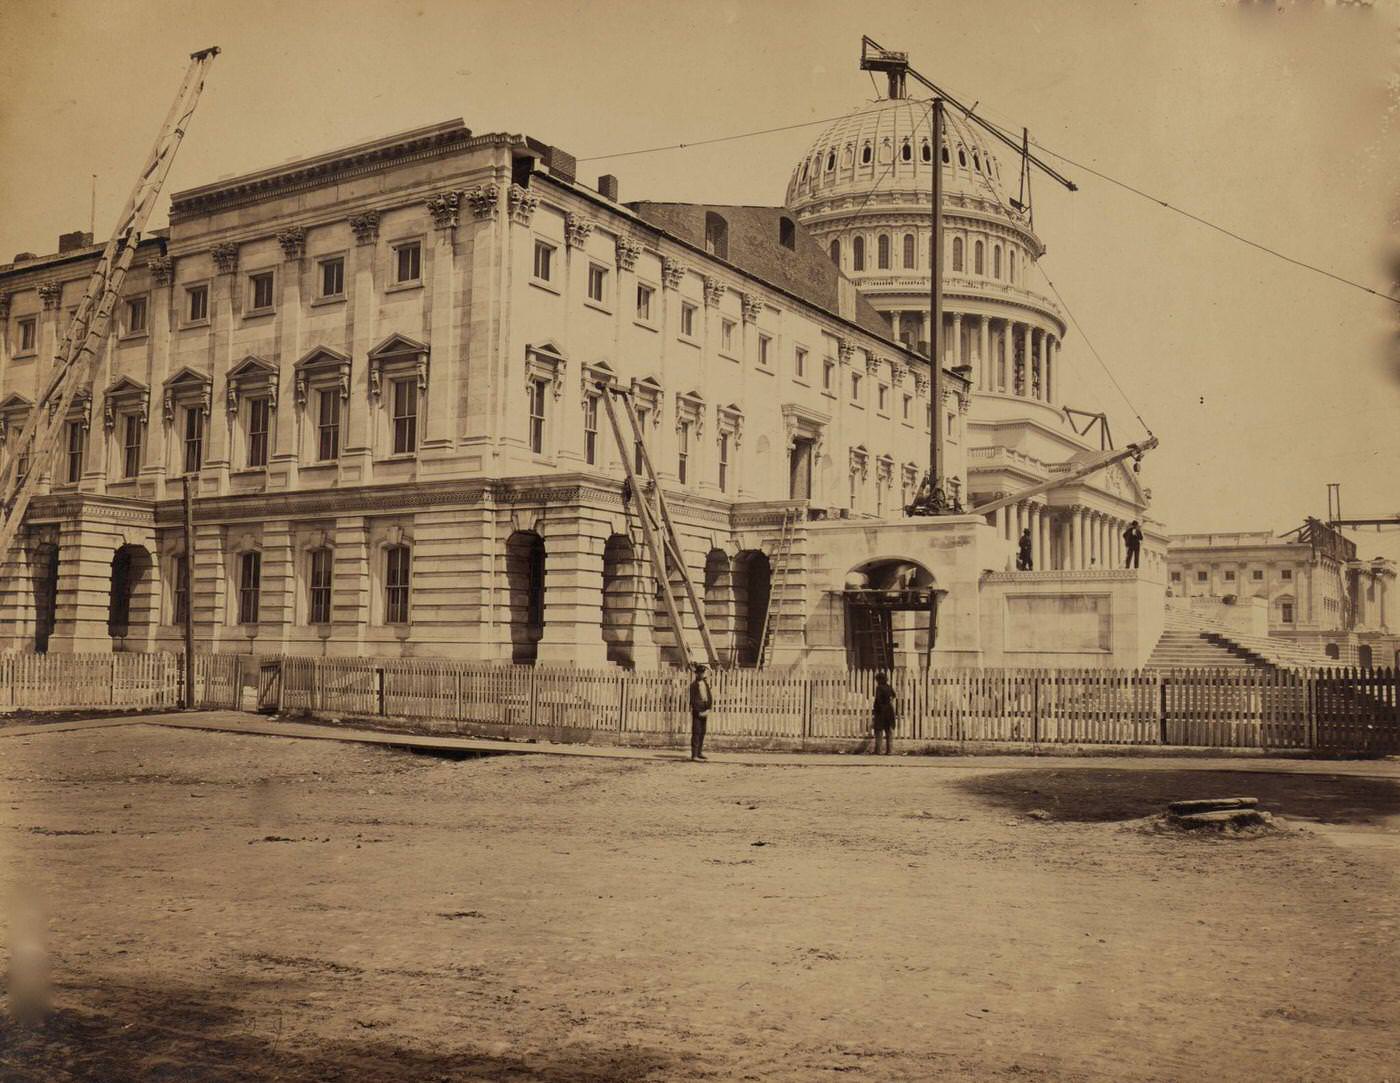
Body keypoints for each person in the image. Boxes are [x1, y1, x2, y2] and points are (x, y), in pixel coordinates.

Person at [688, 662, 712, 761]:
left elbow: (709, 696)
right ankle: (694, 755)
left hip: (705, 710)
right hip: (698, 712)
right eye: (700, 673)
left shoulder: (705, 683)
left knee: (702, 732)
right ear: (696, 674)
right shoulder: (693, 685)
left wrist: (708, 708)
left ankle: (699, 752)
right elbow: (693, 700)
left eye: (703, 673)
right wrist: (699, 712)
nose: (701, 675)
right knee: (696, 732)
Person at [871, 671, 896, 755]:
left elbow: (878, 699)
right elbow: (893, 695)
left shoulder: (879, 687)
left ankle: (878, 751)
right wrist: (888, 701)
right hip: (889, 710)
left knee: (879, 731)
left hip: (881, 711)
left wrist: (876, 710)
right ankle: (890, 751)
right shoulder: (889, 686)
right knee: (889, 731)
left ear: (879, 680)